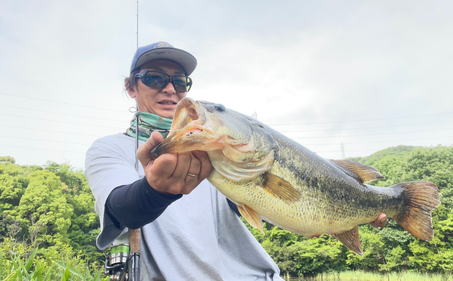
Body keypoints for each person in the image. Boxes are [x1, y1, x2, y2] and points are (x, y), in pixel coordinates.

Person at [85, 41, 387, 280]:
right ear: (130, 86)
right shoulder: (109, 149)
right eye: (154, 78)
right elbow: (120, 209)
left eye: (180, 82)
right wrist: (155, 190)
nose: (170, 89)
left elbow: (276, 208)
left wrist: (336, 214)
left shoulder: (222, 154)